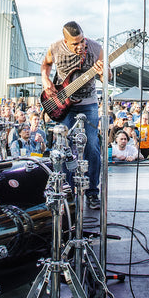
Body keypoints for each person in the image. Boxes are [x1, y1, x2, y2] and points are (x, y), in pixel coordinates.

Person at [41, 21, 105, 210]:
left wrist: (103, 74)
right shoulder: (54, 48)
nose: (80, 46)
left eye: (81, 41)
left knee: (92, 146)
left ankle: (92, 192)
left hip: (89, 103)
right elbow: (45, 66)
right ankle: (68, 193)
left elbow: (107, 75)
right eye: (75, 44)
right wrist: (45, 80)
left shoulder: (95, 48)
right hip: (64, 103)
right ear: (65, 41)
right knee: (66, 148)